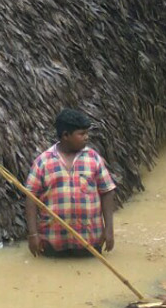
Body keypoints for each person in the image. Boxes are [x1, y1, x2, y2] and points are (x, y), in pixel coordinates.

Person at [24, 108, 117, 257]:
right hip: (53, 242)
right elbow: (30, 197)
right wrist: (33, 235)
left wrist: (109, 229)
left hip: (90, 241)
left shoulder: (94, 159)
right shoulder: (43, 162)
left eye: (87, 133)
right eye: (81, 134)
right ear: (66, 135)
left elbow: (107, 192)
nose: (86, 137)